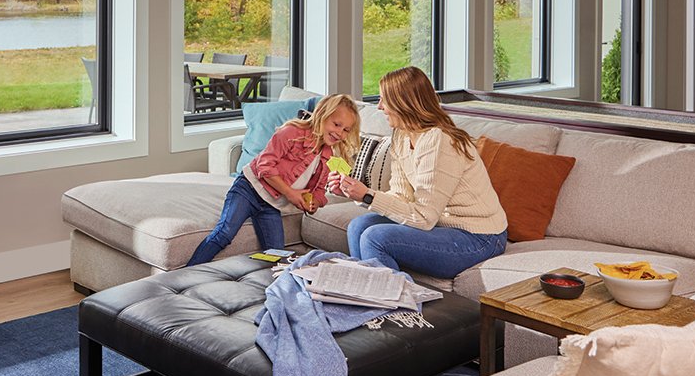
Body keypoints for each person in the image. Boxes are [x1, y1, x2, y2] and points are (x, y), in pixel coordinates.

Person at [328, 67, 507, 279]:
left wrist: (368, 195)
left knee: (375, 237)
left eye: (384, 100)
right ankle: (365, 293)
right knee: (358, 226)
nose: (379, 106)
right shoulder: (401, 135)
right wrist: (356, 194)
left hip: (480, 237)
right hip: (441, 226)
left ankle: (392, 298)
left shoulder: (440, 140)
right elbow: (401, 196)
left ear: (403, 102)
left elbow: (424, 217)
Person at [186, 94, 361, 266]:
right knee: (224, 233)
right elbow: (264, 166)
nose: (340, 133)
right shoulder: (292, 132)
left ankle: (270, 282)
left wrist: (315, 202)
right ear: (322, 115)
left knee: (276, 253)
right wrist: (290, 193)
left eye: (346, 130)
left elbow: (320, 190)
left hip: (271, 204)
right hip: (248, 189)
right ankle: (187, 272)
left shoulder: (329, 155)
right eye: (336, 124)